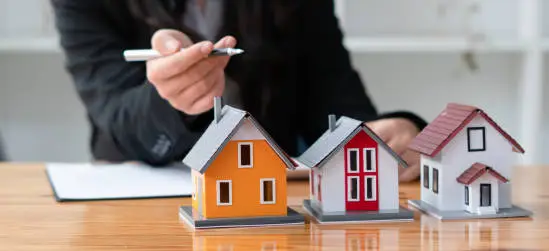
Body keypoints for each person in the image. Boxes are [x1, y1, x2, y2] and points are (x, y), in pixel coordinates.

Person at [51, 0, 427, 181]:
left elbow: (340, 106)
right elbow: (115, 114)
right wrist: (175, 100)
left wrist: (399, 131)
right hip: (134, 201)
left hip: (264, 204)